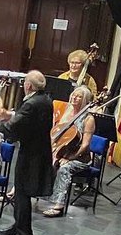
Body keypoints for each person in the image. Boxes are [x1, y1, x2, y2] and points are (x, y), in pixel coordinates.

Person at [0, 70, 54, 235]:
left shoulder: (31, 103)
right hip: (39, 151)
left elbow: (13, 128)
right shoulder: (45, 99)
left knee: (22, 193)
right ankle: (18, 226)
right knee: (20, 192)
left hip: (31, 154)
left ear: (28, 85)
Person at [41, 86, 96, 217]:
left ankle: (59, 205)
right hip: (63, 152)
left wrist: (71, 157)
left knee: (64, 169)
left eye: (79, 96)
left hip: (80, 158)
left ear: (85, 100)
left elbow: (85, 145)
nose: (74, 97)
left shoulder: (88, 119)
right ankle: (32, 191)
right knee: (39, 160)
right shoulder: (67, 113)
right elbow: (57, 136)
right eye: (73, 95)